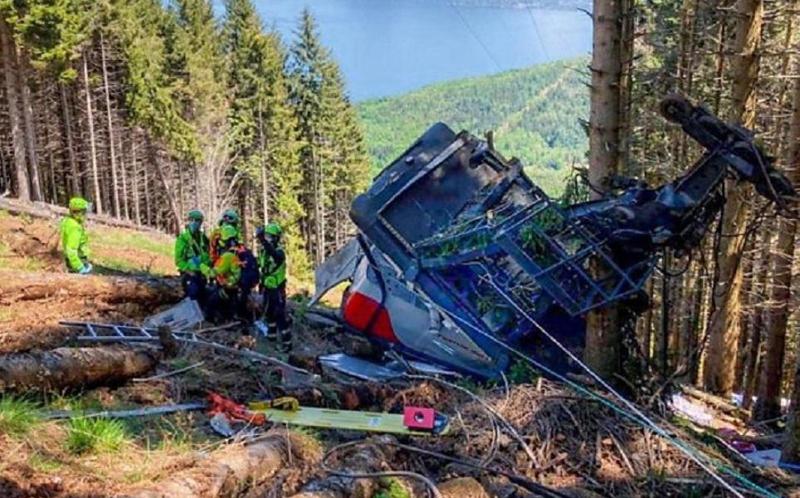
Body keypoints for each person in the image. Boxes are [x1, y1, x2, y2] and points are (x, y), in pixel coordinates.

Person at [203, 224, 259, 324]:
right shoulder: (242, 250)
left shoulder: (228, 256)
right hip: (240, 288)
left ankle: (212, 321)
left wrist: (200, 265)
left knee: (211, 300)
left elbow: (212, 273)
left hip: (230, 288)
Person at [256, 222, 289, 348]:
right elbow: (261, 266)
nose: (268, 238)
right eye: (267, 236)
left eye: (270, 236)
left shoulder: (279, 252)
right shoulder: (263, 252)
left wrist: (262, 240)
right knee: (269, 315)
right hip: (267, 288)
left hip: (277, 289)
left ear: (276, 238)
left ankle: (287, 343)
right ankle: (271, 339)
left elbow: (274, 255)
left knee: (280, 315)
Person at [174, 209, 211, 304]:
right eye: (193, 220)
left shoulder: (203, 238)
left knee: (204, 298)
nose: (195, 223)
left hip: (202, 274)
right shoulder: (183, 239)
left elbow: (208, 254)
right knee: (193, 297)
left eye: (198, 221)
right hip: (190, 275)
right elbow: (179, 260)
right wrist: (188, 270)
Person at [60, 197, 92, 274]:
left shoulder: (68, 221)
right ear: (79, 213)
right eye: (84, 212)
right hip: (77, 261)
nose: (86, 215)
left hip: (72, 261)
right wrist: (80, 267)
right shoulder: (75, 228)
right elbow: (71, 250)